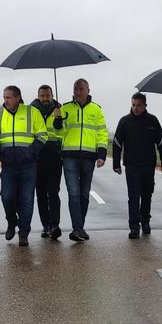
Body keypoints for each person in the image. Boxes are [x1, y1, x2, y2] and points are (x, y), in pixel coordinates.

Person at [0, 85, 48, 246]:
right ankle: (12, 222)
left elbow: (42, 134)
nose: (5, 100)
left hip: (28, 165)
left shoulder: (31, 112)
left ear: (18, 97)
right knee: (6, 196)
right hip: (8, 165)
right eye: (4, 97)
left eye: (8, 97)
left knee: (27, 200)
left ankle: (24, 232)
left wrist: (32, 152)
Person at [53, 78, 108, 242]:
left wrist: (102, 154)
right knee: (74, 193)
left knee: (84, 194)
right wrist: (57, 120)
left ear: (88, 90)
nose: (78, 91)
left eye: (81, 89)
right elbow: (58, 133)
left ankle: (79, 228)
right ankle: (77, 228)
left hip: (89, 157)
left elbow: (102, 133)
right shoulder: (64, 108)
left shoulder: (96, 110)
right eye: (76, 88)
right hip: (69, 156)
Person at [113, 92, 162, 239]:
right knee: (133, 196)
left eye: (138, 105)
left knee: (147, 195)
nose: (135, 108)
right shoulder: (124, 121)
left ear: (145, 105)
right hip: (131, 165)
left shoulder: (152, 121)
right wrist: (116, 163)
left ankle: (145, 222)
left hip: (148, 165)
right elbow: (117, 143)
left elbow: (161, 141)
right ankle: (134, 227)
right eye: (133, 105)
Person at [30, 85, 64, 239]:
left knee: (53, 192)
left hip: (54, 156)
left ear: (52, 95)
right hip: (37, 158)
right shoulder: (31, 111)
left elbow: (62, 132)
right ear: (38, 96)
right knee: (41, 194)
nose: (45, 98)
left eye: (47, 96)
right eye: (42, 96)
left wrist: (58, 119)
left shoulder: (60, 109)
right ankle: (46, 225)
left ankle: (55, 224)